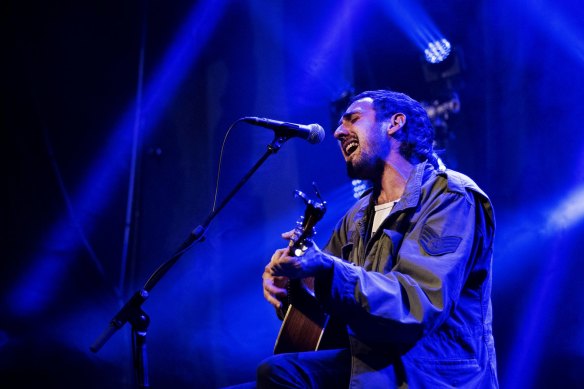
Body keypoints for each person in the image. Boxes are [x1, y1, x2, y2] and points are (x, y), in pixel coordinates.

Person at [259, 90, 498, 388]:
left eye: (353, 119)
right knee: (273, 375)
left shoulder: (450, 196)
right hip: (374, 367)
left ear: (395, 123)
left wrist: (324, 270)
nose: (337, 132)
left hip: (431, 374)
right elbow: (328, 317)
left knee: (279, 374)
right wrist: (293, 286)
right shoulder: (357, 214)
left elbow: (417, 304)